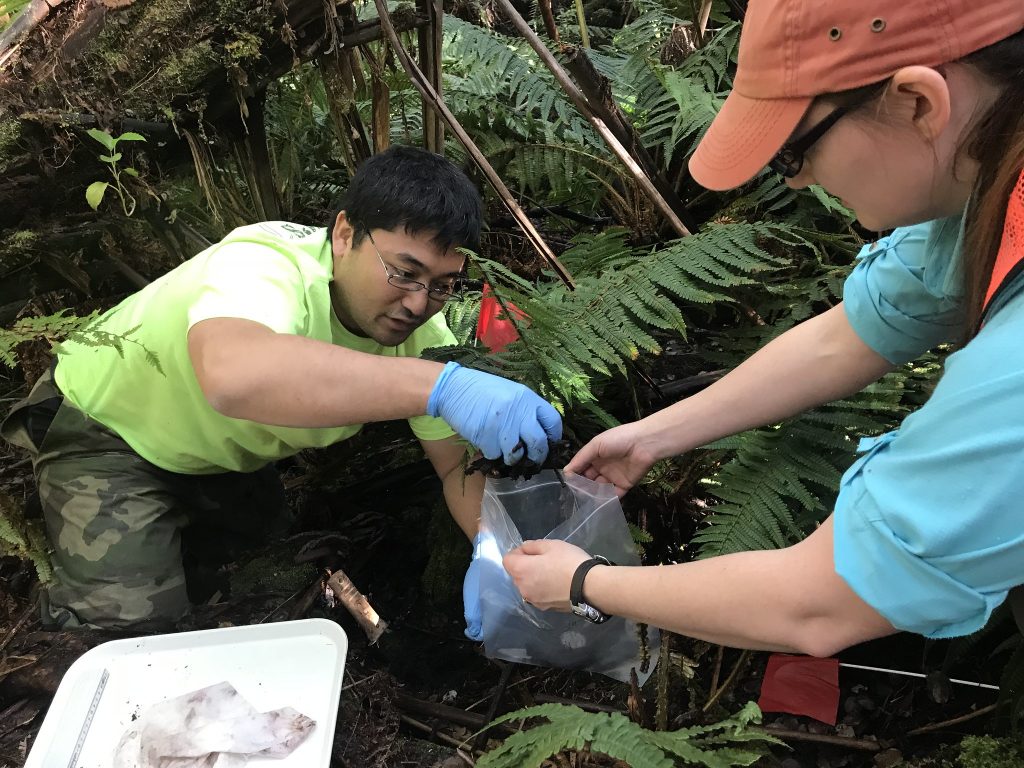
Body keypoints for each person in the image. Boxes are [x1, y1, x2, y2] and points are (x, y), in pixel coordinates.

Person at [502, 0, 1024, 657]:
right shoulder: (984, 186)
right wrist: (652, 437)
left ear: (917, 102)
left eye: (794, 153)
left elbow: (819, 605)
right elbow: (853, 334)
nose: (800, 183)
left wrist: (582, 582)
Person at [1, 146, 562, 630]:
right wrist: (439, 386)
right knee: (131, 627)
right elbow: (233, 376)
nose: (418, 302)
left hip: (223, 457)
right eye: (403, 272)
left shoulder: (423, 336)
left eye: (441, 286)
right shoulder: (267, 263)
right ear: (345, 234)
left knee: (270, 579)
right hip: (112, 429)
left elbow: (452, 468)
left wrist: (500, 554)